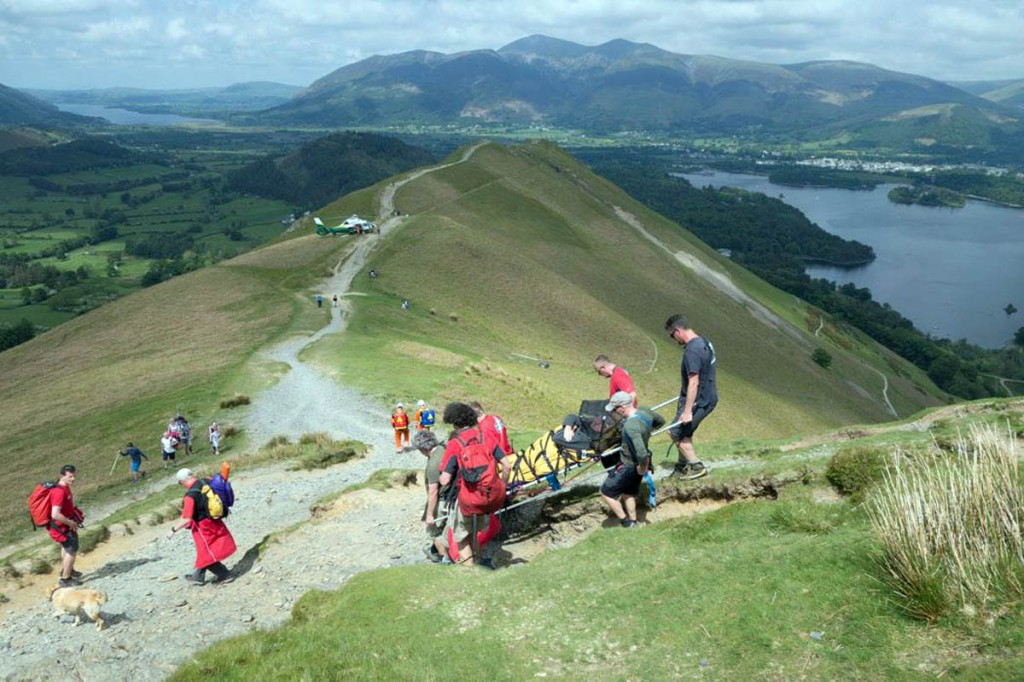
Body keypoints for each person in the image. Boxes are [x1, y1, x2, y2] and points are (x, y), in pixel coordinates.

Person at [434, 402, 511, 566]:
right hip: (490, 496)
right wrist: (502, 485)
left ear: (454, 423)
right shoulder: (486, 436)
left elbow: (445, 480)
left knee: (461, 535)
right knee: (475, 532)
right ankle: (476, 560)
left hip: (468, 500)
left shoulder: (455, 444)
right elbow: (507, 465)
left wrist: (439, 478)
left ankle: (469, 572)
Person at [665, 314, 718, 480]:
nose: (674, 340)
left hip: (698, 400)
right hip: (709, 396)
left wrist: (687, 410)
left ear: (678, 331)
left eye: (672, 335)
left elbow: (693, 381)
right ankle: (681, 467)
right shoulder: (704, 342)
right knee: (685, 432)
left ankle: (696, 466)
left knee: (675, 432)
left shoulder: (692, 350)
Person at [600, 392, 664, 527]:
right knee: (628, 493)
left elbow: (641, 452)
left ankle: (625, 522)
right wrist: (646, 432)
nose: (615, 412)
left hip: (629, 465)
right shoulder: (645, 411)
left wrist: (642, 467)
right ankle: (634, 522)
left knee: (606, 493)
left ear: (622, 407)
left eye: (615, 409)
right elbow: (660, 421)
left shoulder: (630, 426)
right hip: (637, 465)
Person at [167, 468, 236, 586]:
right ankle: (198, 577)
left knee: (206, 553)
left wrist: (173, 530)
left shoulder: (190, 495)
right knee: (205, 551)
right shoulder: (206, 481)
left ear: (183, 481)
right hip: (215, 520)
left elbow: (186, 518)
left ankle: (225, 575)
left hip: (203, 527)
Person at [414, 430, 449, 563]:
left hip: (442, 499)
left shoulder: (433, 464)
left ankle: (445, 559)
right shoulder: (442, 448)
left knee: (435, 530)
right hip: (452, 496)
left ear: (423, 448)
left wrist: (429, 515)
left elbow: (433, 491)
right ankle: (434, 550)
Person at [50, 465, 85, 587]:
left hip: (63, 525)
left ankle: (67, 569)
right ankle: (66, 579)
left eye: (74, 476)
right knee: (71, 550)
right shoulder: (59, 492)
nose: (73, 478)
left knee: (66, 548)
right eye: (70, 476)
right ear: (62, 476)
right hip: (63, 526)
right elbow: (55, 514)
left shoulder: (65, 487)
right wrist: (70, 522)